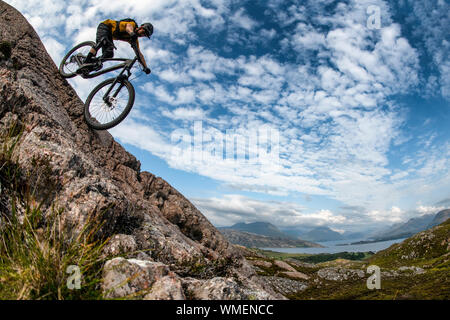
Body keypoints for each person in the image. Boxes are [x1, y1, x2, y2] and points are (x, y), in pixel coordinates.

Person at [81, 18, 152, 74]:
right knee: (103, 41)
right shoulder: (132, 25)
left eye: (145, 35)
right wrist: (131, 33)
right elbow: (128, 27)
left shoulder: (133, 39)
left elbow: (139, 54)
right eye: (143, 32)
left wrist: (145, 67)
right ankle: (86, 61)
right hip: (105, 26)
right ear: (141, 27)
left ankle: (88, 68)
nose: (142, 35)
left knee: (109, 54)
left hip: (109, 36)